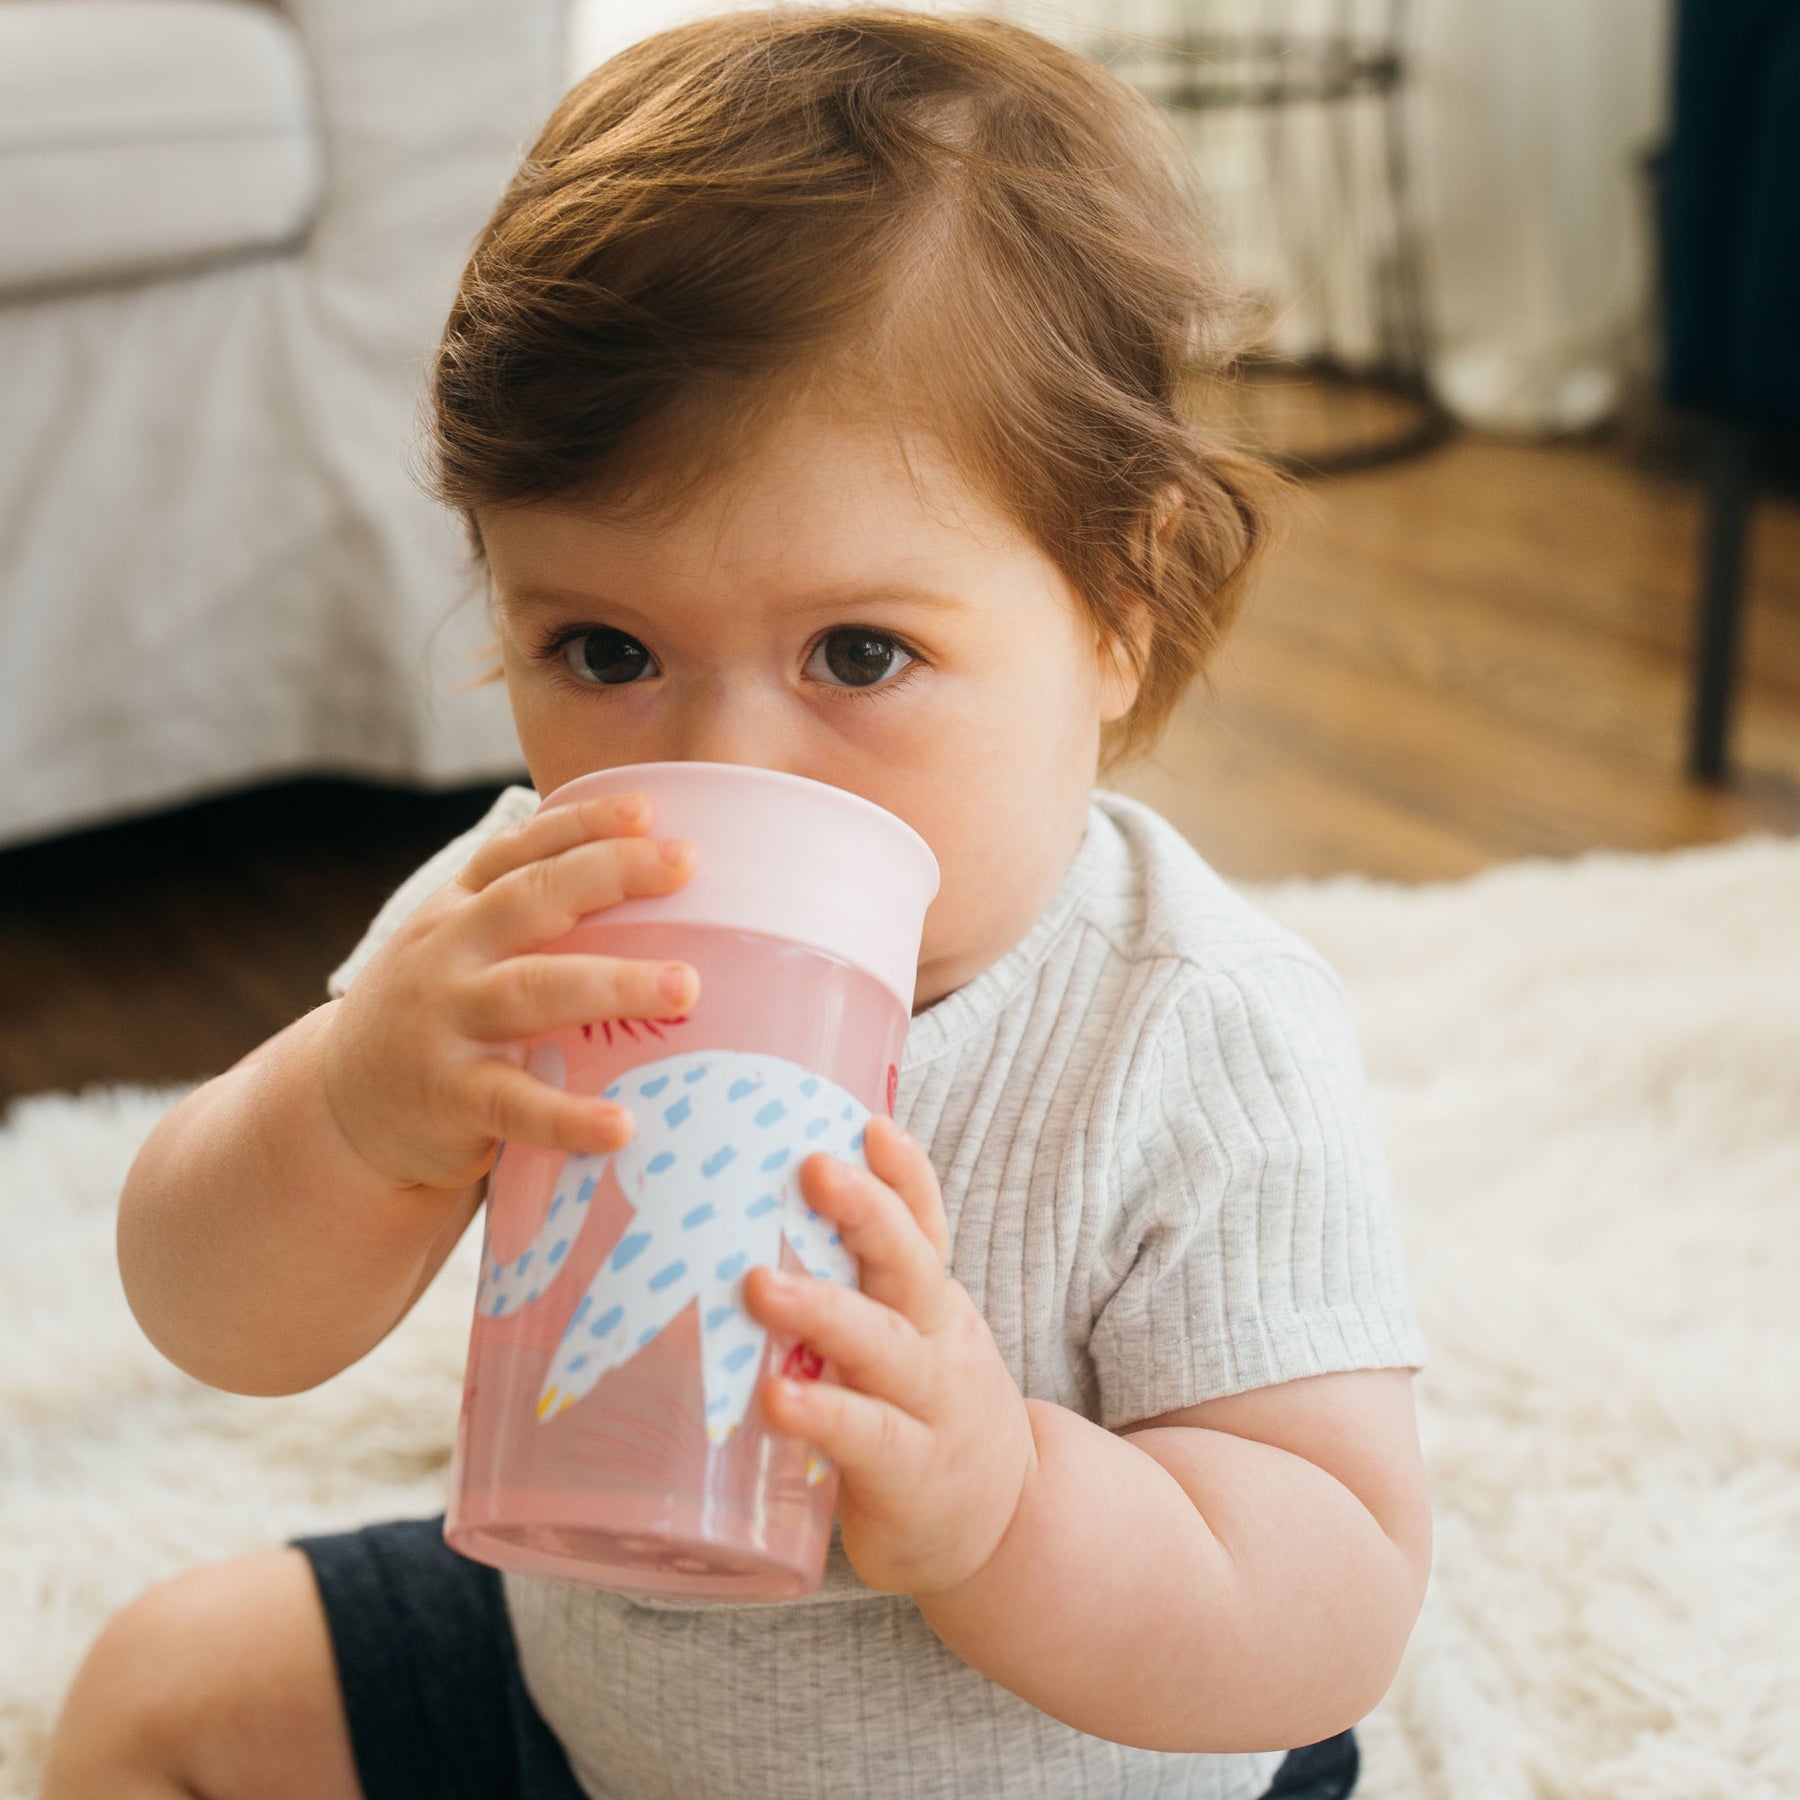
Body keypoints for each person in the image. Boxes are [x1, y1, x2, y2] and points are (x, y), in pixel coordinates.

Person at [42, 11, 1430, 1798]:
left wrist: (1003, 1502)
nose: (727, 764)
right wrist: (356, 1108)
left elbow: (1331, 1605)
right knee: (167, 1690)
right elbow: (211, 1315)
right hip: (599, 1708)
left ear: (1122, 602)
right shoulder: (529, 928)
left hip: (1061, 1763)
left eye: (860, 652)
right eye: (603, 649)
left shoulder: (1193, 1028)